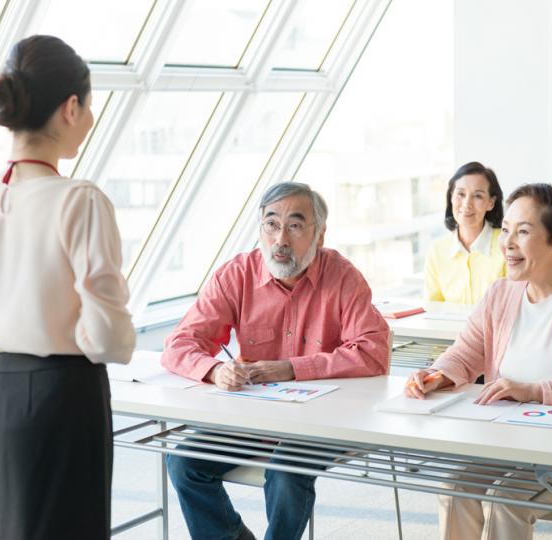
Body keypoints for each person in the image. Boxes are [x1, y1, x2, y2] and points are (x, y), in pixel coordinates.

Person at [0, 35, 135, 540]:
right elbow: (108, 336)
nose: (89, 120)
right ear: (70, 107)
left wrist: (8, 326)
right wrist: (63, 336)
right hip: (63, 395)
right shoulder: (80, 200)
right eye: (89, 107)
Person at [406, 183, 552, 540]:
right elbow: (466, 351)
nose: (508, 243)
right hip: (507, 443)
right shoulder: (501, 293)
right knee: (455, 487)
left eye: (524, 232)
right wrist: (439, 374)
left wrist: (532, 391)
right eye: (507, 230)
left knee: (506, 500)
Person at [162, 181, 390, 540]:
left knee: (286, 471)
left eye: (296, 225)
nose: (280, 239)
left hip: (323, 420)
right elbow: (179, 343)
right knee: (184, 462)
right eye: (271, 224)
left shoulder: (343, 277)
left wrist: (292, 369)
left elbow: (374, 351)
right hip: (256, 416)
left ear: (320, 234)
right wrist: (215, 369)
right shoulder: (237, 274)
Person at [424, 161, 506, 304]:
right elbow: (432, 308)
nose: (467, 204)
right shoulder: (437, 250)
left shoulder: (507, 243)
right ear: (451, 197)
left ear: (491, 203)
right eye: (461, 194)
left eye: (478, 196)